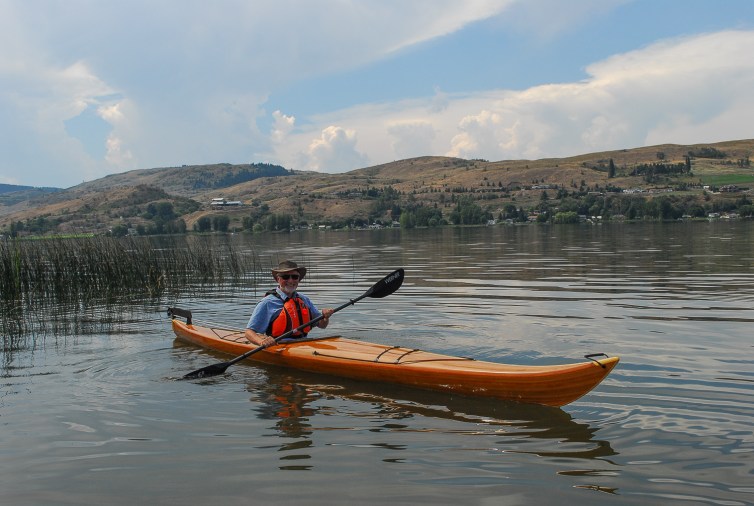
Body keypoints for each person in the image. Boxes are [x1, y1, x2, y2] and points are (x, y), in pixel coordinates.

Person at [245, 260, 334, 348]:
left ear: (298, 279)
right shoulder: (267, 303)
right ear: (278, 279)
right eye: (286, 277)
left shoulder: (304, 299)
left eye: (294, 277)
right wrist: (261, 341)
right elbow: (249, 332)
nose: (291, 281)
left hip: (305, 344)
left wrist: (325, 317)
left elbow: (322, 325)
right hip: (279, 346)